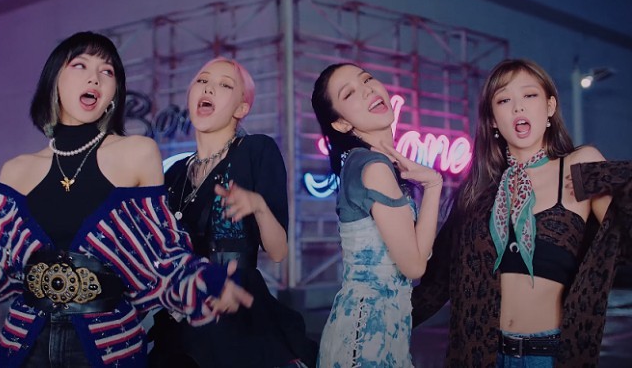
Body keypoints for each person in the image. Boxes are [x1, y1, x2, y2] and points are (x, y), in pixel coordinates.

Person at [0, 31, 253, 368]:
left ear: (114, 93)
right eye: (80, 65)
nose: (94, 78)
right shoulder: (16, 170)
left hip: (107, 345)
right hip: (25, 345)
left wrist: (206, 283)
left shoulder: (137, 153)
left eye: (107, 71)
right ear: (54, 79)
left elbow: (161, 251)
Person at [410, 58, 632, 367]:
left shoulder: (579, 165)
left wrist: (610, 177)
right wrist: (375, 324)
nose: (518, 107)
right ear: (492, 120)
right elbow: (435, 284)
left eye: (529, 95)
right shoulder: (477, 191)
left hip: (547, 355)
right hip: (483, 356)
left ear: (550, 106)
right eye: (504, 100)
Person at [147, 56, 319, 368]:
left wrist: (259, 206)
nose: (208, 88)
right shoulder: (173, 174)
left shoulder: (256, 150)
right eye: (202, 81)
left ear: (241, 108)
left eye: (225, 85)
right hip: (187, 309)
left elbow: (278, 251)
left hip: (238, 313)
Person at [310, 62, 444, 367]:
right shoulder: (373, 167)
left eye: (367, 79)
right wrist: (434, 185)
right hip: (367, 338)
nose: (367, 89)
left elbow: (414, 256)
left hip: (370, 330)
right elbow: (414, 265)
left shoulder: (363, 163)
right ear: (341, 123)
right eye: (349, 93)